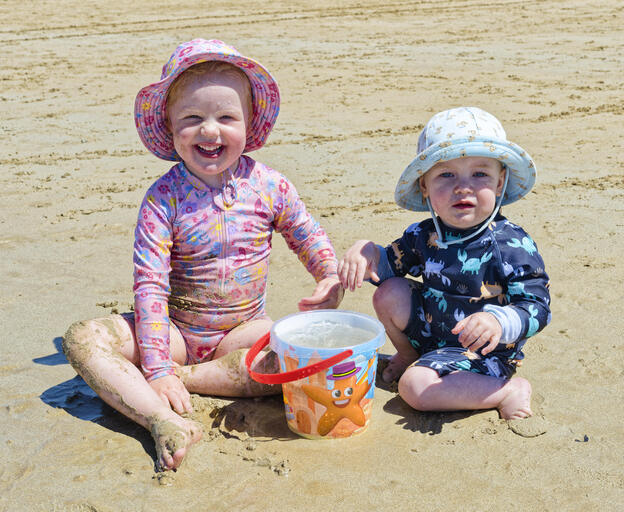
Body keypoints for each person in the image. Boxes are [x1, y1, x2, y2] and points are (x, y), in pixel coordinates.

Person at [62, 38, 343, 471]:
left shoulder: (270, 186)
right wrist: (157, 366)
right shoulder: (163, 199)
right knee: (82, 338)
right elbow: (150, 286)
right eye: (192, 119)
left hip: (243, 331)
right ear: (170, 128)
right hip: (174, 331)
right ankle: (161, 419)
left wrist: (328, 274)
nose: (210, 131)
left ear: (249, 123)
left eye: (226, 117)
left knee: (302, 355)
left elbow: (306, 234)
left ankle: (190, 380)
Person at [338, 107, 550, 420]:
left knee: (414, 387)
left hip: (483, 351)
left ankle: (507, 390)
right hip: (432, 331)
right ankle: (410, 355)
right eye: (446, 175)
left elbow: (537, 306)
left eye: (480, 174)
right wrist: (365, 251)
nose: (463, 187)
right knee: (389, 292)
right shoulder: (423, 234)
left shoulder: (510, 244)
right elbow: (388, 267)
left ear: (500, 182)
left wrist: (499, 322)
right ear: (424, 186)